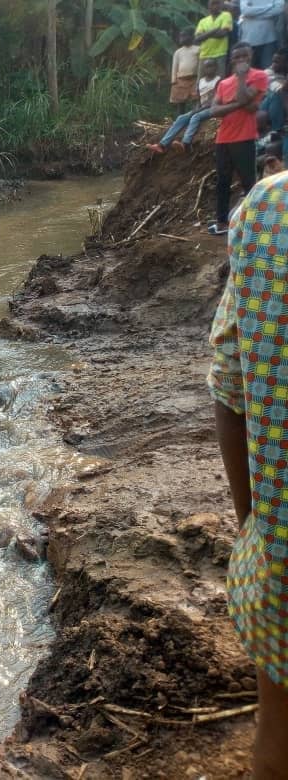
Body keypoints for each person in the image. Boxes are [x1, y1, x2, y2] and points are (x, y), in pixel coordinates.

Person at [209, 166, 288, 780]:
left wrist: (255, 530)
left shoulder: (268, 209)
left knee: (278, 737)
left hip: (281, 573)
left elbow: (230, 386)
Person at [208, 42, 269, 235]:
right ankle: (221, 223)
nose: (241, 60)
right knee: (223, 181)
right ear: (231, 60)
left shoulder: (259, 76)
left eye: (245, 56)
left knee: (248, 181)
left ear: (251, 56)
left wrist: (242, 79)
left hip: (244, 137)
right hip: (223, 138)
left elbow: (244, 101)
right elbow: (213, 110)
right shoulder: (224, 83)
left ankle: (255, 224)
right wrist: (239, 104)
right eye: (237, 57)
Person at [149, 58, 222, 153]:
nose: (208, 69)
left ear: (216, 67)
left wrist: (198, 110)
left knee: (195, 117)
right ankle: (161, 145)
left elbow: (216, 100)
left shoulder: (219, 80)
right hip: (202, 108)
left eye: (211, 66)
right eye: (206, 66)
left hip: (214, 108)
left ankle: (185, 143)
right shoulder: (201, 81)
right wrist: (196, 108)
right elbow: (200, 99)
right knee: (181, 118)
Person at [240, 0, 286, 69]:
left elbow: (279, 9)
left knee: (268, 72)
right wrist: (269, 7)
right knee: (249, 72)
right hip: (248, 40)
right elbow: (245, 11)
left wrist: (254, 14)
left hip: (269, 39)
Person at [197, 0, 236, 76]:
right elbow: (197, 38)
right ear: (209, 6)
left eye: (218, 3)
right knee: (201, 82)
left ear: (222, 4)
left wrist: (205, 35)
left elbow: (222, 34)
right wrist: (214, 30)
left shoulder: (226, 15)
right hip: (204, 54)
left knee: (219, 80)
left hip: (220, 53)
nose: (216, 5)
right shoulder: (203, 21)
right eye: (213, 3)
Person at [171, 28, 202, 112]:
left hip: (194, 78)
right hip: (180, 79)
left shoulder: (198, 49)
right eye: (181, 36)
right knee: (180, 101)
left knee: (195, 99)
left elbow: (200, 65)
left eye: (184, 36)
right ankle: (180, 120)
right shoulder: (178, 52)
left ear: (191, 37)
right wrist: (173, 79)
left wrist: (199, 79)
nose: (182, 38)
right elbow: (175, 66)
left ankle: (194, 118)